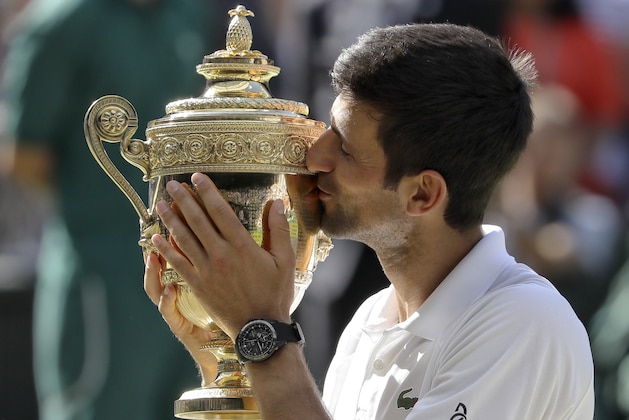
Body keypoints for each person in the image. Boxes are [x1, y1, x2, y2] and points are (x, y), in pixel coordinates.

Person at [144, 23, 594, 418]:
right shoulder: (369, 321)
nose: (313, 157)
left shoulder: (524, 323)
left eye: (344, 148)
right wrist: (229, 365)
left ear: (423, 193)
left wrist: (262, 330)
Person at [0, 0, 221, 418]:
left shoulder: (190, 12)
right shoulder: (60, 23)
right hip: (102, 274)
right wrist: (108, 204)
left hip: (190, 271)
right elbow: (25, 156)